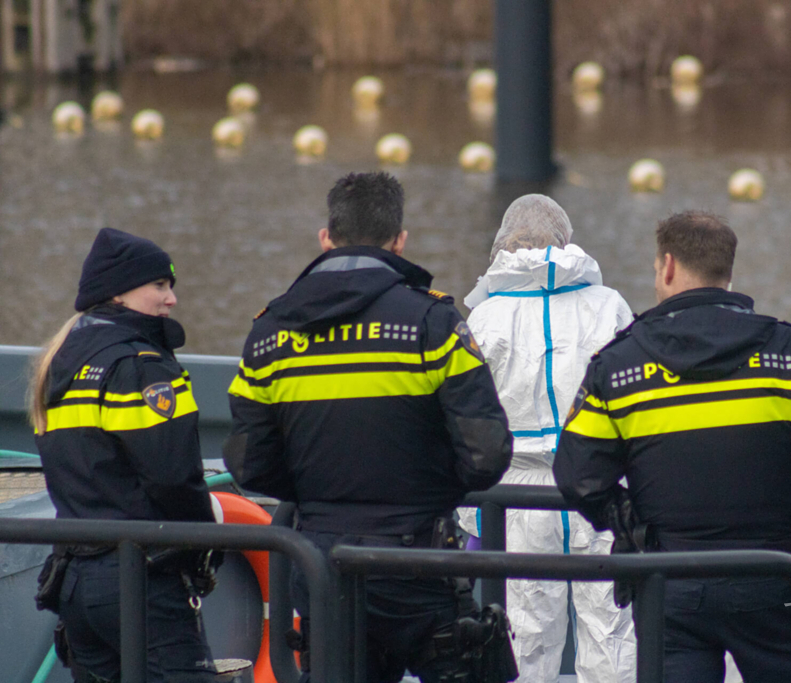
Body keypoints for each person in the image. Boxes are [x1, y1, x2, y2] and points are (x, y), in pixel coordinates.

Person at [552, 211, 791, 683]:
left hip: (670, 580)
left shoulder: (620, 364)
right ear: (728, 273)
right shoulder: (789, 352)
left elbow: (577, 474)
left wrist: (632, 521)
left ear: (666, 266)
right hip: (775, 573)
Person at [223, 171, 514, 683]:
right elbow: (486, 454)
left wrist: (318, 501)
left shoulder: (269, 334)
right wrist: (427, 496)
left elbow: (249, 462)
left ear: (325, 238)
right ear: (399, 240)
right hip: (420, 563)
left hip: (320, 562)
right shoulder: (431, 323)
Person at [456, 194, 636, 683]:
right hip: (597, 485)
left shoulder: (485, 317)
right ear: (566, 239)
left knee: (525, 638)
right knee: (611, 632)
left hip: (516, 498)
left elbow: (467, 420)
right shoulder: (608, 305)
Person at [31, 227, 218, 683]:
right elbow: (173, 477)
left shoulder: (61, 364)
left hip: (75, 582)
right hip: (140, 581)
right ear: (118, 292)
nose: (170, 298)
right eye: (159, 285)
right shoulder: (141, 365)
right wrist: (205, 547)